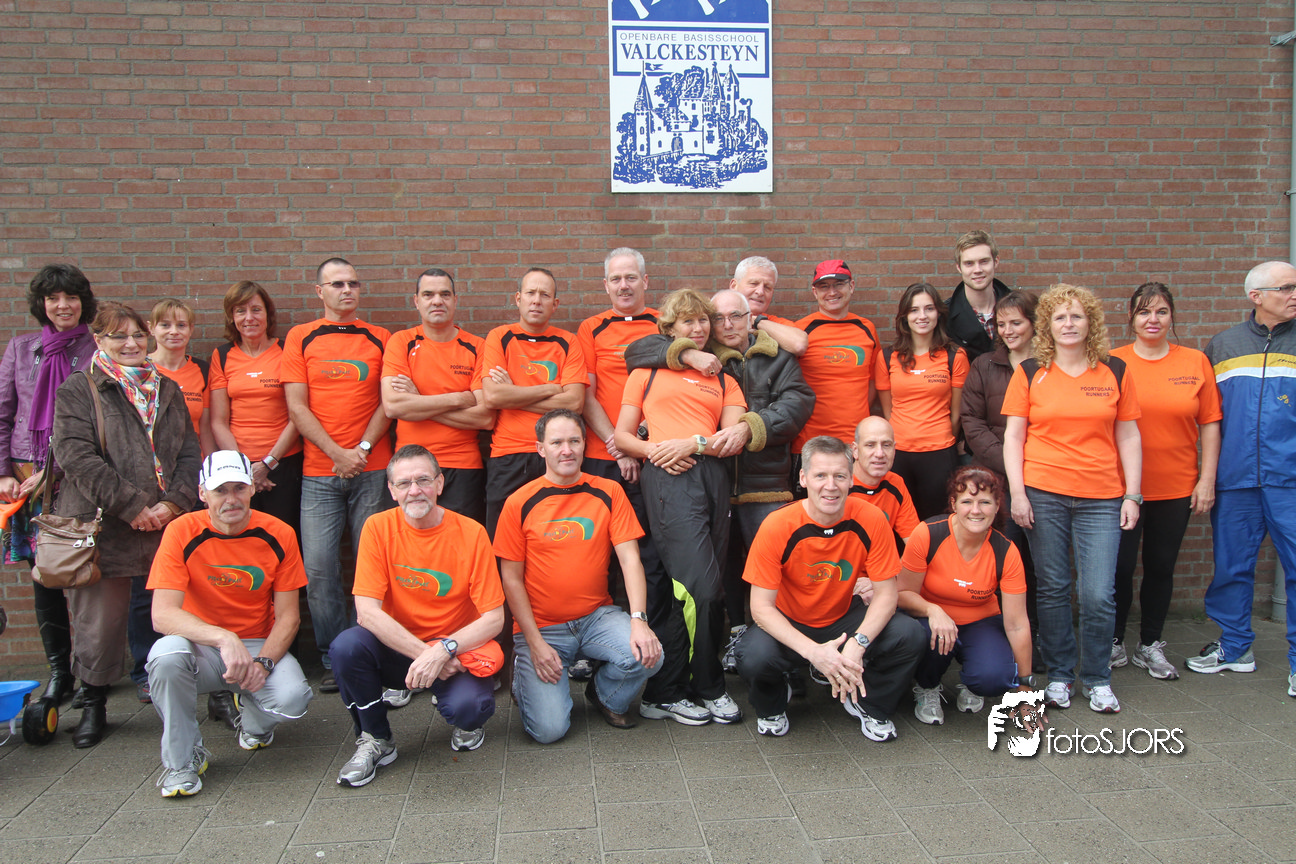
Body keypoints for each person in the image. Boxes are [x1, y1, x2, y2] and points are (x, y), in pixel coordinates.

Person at [624, 288, 814, 671]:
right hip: (708, 480)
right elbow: (638, 350)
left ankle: (783, 656)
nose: (726, 325)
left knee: (772, 568)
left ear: (752, 318)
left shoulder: (775, 358)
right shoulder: (699, 355)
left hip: (763, 484)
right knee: (715, 573)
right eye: (718, 318)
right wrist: (688, 354)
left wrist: (749, 427)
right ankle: (731, 641)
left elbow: (796, 404)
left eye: (736, 316)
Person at [51, 302, 201, 747]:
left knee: (183, 609)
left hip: (165, 524)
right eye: (119, 336)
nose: (132, 344)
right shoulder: (79, 390)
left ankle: (205, 693)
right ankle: (93, 703)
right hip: (105, 526)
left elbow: (188, 452)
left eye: (137, 334)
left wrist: (173, 503)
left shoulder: (167, 388)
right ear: (98, 340)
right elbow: (76, 456)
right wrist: (133, 506)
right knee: (99, 622)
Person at [329, 445, 504, 786]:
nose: (415, 490)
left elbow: (494, 618)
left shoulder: (471, 533)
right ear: (391, 490)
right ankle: (376, 739)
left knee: (470, 708)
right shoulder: (377, 527)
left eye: (423, 480)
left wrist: (444, 651)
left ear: (439, 483)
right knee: (346, 648)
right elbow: (367, 613)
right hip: (400, 649)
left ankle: (465, 721)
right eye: (404, 483)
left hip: (455, 652)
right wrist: (427, 655)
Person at [1003, 284, 1142, 714]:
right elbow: (1013, 436)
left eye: (1077, 316)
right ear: (1047, 325)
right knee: (1053, 589)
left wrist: (1133, 495)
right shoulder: (1030, 372)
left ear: (1090, 322)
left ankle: (1097, 677)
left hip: (1102, 496)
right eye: (1060, 317)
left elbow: (1129, 435)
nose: (1068, 324)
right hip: (1043, 493)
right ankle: (1061, 675)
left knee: (1098, 593)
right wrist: (1018, 493)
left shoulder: (1114, 370)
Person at [733, 435, 925, 740]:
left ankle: (869, 702)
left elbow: (887, 594)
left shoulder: (871, 518)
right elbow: (760, 608)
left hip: (844, 617)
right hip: (791, 619)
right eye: (820, 475)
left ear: (851, 479)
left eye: (839, 476)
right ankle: (773, 702)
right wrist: (813, 652)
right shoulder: (777, 524)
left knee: (910, 634)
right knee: (752, 655)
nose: (830, 486)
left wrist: (858, 644)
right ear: (803, 478)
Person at [614, 288, 747, 726]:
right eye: (688, 321)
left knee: (692, 589)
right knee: (700, 589)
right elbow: (624, 437)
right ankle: (708, 686)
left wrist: (692, 443)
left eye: (704, 320)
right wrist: (657, 451)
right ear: (670, 329)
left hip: (712, 478)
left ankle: (665, 692)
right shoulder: (646, 374)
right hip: (667, 478)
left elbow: (729, 439)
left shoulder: (724, 379)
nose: (699, 328)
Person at [146, 451, 314, 797]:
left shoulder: (278, 533)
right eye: (220, 490)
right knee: (165, 658)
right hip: (200, 646)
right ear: (202, 493)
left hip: (257, 643)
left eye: (239, 487)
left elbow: (288, 616)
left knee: (293, 698)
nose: (231, 499)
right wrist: (223, 638)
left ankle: (253, 720)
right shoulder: (181, 531)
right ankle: (183, 760)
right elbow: (162, 615)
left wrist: (263, 664)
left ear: (253, 488)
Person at [496, 409, 663, 742]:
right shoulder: (519, 502)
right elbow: (510, 579)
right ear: (540, 448)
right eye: (556, 442)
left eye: (574, 441)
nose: (567, 450)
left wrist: (639, 620)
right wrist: (534, 643)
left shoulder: (608, 491)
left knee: (649, 655)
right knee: (549, 730)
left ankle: (604, 696)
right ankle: (524, 676)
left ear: (585, 445)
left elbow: (630, 559)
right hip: (543, 627)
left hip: (595, 617)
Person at [282, 257, 393, 693]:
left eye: (353, 284)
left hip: (373, 468)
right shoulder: (301, 337)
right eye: (337, 284)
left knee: (372, 567)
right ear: (320, 291)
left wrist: (361, 450)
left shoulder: (380, 337)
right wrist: (336, 453)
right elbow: (296, 406)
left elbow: (387, 402)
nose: (347, 290)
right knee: (320, 569)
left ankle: (368, 650)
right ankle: (334, 656)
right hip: (319, 472)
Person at [1188, 261, 1296, 696]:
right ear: (1257, 296)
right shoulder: (1223, 346)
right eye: (1286, 287)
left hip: (1290, 480)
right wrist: (1208, 476)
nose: (1294, 294)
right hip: (1236, 480)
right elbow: (1207, 417)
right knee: (1232, 568)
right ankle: (1235, 648)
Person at [1110, 282, 1221, 681]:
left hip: (1176, 485)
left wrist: (1206, 480)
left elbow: (1210, 424)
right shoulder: (1113, 362)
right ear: (1131, 318)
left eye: (1161, 311)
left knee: (1160, 566)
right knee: (1119, 568)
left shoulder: (1194, 362)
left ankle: (1150, 644)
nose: (1152, 320)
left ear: (1172, 316)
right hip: (1121, 488)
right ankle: (1114, 642)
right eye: (1144, 312)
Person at [0, 264, 97, 707]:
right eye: (53, 298)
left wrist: (55, 469)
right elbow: (4, 414)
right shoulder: (21, 349)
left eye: (71, 297)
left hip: (74, 477)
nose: (63, 305)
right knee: (44, 576)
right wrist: (4, 472)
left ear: (82, 302)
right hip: (25, 479)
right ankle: (60, 672)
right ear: (42, 304)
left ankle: (91, 672)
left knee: (85, 573)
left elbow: (96, 423)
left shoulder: (96, 348)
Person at [897, 466, 1032, 726]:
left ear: (997, 506)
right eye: (967, 501)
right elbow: (902, 594)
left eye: (985, 502)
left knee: (995, 677)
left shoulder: (1006, 551)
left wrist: (1025, 687)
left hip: (981, 620)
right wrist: (933, 610)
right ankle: (927, 686)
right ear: (953, 504)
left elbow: (1017, 624)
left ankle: (973, 683)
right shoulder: (928, 533)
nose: (976, 510)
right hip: (931, 621)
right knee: (925, 635)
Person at [477, 267, 586, 538]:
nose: (537, 300)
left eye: (544, 295)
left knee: (553, 538)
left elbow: (574, 403)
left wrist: (513, 394)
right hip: (508, 456)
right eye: (530, 293)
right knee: (502, 539)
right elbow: (493, 397)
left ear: (555, 304)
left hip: (557, 454)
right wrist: (550, 389)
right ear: (518, 298)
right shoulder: (499, 337)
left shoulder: (568, 342)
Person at [382, 267, 495, 525]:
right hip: (410, 467)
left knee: (461, 541)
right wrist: (459, 398)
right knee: (411, 542)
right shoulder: (401, 342)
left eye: (445, 294)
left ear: (455, 300)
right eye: (428, 294)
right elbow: (393, 406)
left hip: (462, 467)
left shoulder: (477, 347)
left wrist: (418, 401)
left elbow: (485, 418)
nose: (437, 301)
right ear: (416, 301)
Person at [960, 290, 1039, 629]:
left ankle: (1033, 632)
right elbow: (972, 421)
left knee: (1038, 565)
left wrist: (1031, 467)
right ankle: (996, 632)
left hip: (1043, 477)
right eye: (1001, 324)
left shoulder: (1051, 367)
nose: (1008, 331)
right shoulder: (985, 365)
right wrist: (1011, 464)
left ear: (1034, 324)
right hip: (994, 480)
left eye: (1016, 323)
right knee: (1000, 557)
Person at [209, 280, 303, 537]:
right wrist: (244, 468)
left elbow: (298, 414)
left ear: (267, 314)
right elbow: (218, 421)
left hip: (283, 463)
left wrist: (267, 464)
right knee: (242, 538)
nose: (249, 317)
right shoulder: (222, 355)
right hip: (237, 467)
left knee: (283, 536)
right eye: (240, 311)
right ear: (232, 317)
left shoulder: (286, 351)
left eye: (256, 310)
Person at [875, 283, 969, 519]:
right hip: (898, 454)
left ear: (938, 313)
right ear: (905, 317)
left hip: (940, 453)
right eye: (914, 310)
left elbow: (956, 414)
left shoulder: (955, 356)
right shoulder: (887, 357)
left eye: (929, 308)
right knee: (899, 522)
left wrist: (939, 437)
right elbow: (888, 411)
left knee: (937, 522)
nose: (922, 316)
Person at [793, 260, 882, 495]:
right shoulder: (800, 331)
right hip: (810, 444)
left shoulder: (867, 328)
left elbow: (873, 381)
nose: (832, 292)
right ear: (815, 292)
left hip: (855, 446)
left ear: (851, 286)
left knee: (855, 511)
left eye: (839, 284)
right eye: (824, 286)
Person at [148, 298, 216, 456]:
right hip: (154, 464)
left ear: (191, 329)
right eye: (165, 325)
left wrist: (210, 466)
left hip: (193, 462)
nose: (174, 331)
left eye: (181, 325)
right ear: (151, 328)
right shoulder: (140, 369)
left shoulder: (202, 370)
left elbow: (205, 429)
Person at [848, 416, 919, 555]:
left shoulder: (895, 483)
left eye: (886, 445)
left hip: (882, 565)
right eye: (870, 445)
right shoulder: (836, 486)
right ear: (855, 450)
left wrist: (899, 567)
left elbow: (915, 544)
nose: (880, 454)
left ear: (894, 449)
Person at [946, 230, 1011, 362]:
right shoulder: (945, 316)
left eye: (984, 261)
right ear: (959, 267)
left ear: (996, 261)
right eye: (969, 263)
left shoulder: (1021, 309)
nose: (977, 270)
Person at [728, 256, 809, 356]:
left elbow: (799, 345)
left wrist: (755, 320)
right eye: (754, 283)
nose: (760, 292)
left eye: (767, 287)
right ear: (734, 286)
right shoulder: (713, 319)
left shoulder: (777, 324)